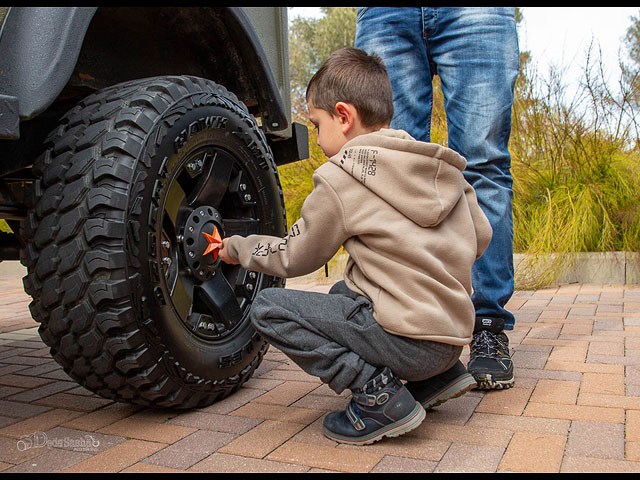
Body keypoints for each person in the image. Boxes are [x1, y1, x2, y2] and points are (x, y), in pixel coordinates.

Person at [219, 47, 492, 445]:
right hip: (450, 342)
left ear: (343, 116)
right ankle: (437, 379)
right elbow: (480, 237)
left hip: (408, 343)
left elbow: (297, 256)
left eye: (316, 123)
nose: (316, 135)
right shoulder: (437, 168)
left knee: (268, 308)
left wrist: (238, 248)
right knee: (344, 292)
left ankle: (377, 396)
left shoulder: (341, 176)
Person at [355, 7, 520, 390]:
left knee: (484, 165)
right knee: (389, 165)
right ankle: (404, 329)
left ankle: (488, 325)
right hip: (385, 14)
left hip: (476, 13)